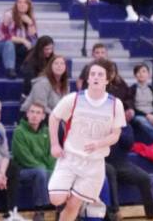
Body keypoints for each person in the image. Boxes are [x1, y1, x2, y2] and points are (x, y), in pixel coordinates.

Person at [47, 59, 126, 221]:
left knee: (73, 205)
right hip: (69, 158)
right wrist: (55, 144)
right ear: (88, 79)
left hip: (94, 164)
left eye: (100, 74)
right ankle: (76, 194)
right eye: (93, 74)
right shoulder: (74, 99)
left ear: (107, 79)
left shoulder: (115, 104)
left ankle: (79, 198)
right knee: (56, 199)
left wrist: (99, 144)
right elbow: (53, 118)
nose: (96, 77)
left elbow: (115, 135)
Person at [105, 125, 153, 221]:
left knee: (144, 178)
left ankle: (152, 211)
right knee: (110, 171)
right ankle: (115, 212)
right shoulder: (100, 124)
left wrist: (118, 132)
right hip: (102, 161)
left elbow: (128, 145)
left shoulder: (125, 126)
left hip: (121, 163)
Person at [11, 102, 55, 221]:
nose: (35, 115)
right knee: (40, 172)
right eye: (32, 112)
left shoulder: (47, 131)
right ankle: (40, 210)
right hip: (22, 171)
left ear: (43, 116)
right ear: (27, 114)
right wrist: (45, 169)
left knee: (58, 173)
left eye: (38, 112)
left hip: (42, 170)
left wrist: (50, 170)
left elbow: (51, 155)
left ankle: (62, 209)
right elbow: (24, 157)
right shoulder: (19, 132)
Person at [0, 0, 38, 78]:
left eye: (25, 3)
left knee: (35, 45)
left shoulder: (29, 18)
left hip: (16, 48)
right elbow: (4, 36)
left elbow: (34, 39)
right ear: (16, 4)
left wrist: (30, 23)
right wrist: (23, 40)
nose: (22, 5)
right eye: (19, 2)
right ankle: (10, 70)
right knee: (9, 43)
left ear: (29, 5)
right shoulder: (8, 15)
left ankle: (29, 69)